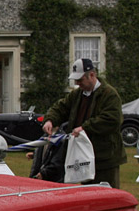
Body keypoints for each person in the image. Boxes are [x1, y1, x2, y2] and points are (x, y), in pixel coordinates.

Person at [42, 58, 126, 188]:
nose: (77, 83)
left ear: (92, 75)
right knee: (88, 192)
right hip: (83, 156)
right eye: (76, 80)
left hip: (105, 157)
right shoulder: (77, 95)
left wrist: (84, 128)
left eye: (80, 80)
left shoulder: (109, 94)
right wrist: (50, 120)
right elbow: (61, 107)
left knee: (107, 192)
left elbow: (112, 119)